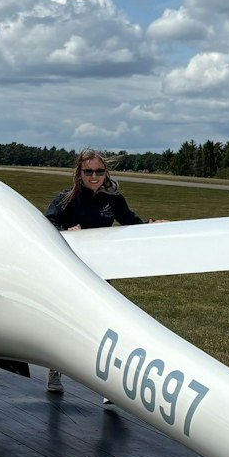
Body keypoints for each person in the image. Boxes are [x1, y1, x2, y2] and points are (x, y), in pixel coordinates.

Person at [43, 148, 156, 398]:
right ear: (79, 174)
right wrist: (67, 230)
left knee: (105, 321)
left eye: (99, 171)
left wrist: (151, 225)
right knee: (68, 317)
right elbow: (47, 223)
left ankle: (110, 384)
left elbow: (130, 222)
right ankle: (55, 369)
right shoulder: (67, 198)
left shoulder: (114, 199)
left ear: (105, 173)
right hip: (73, 268)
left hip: (101, 269)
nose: (94, 176)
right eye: (88, 171)